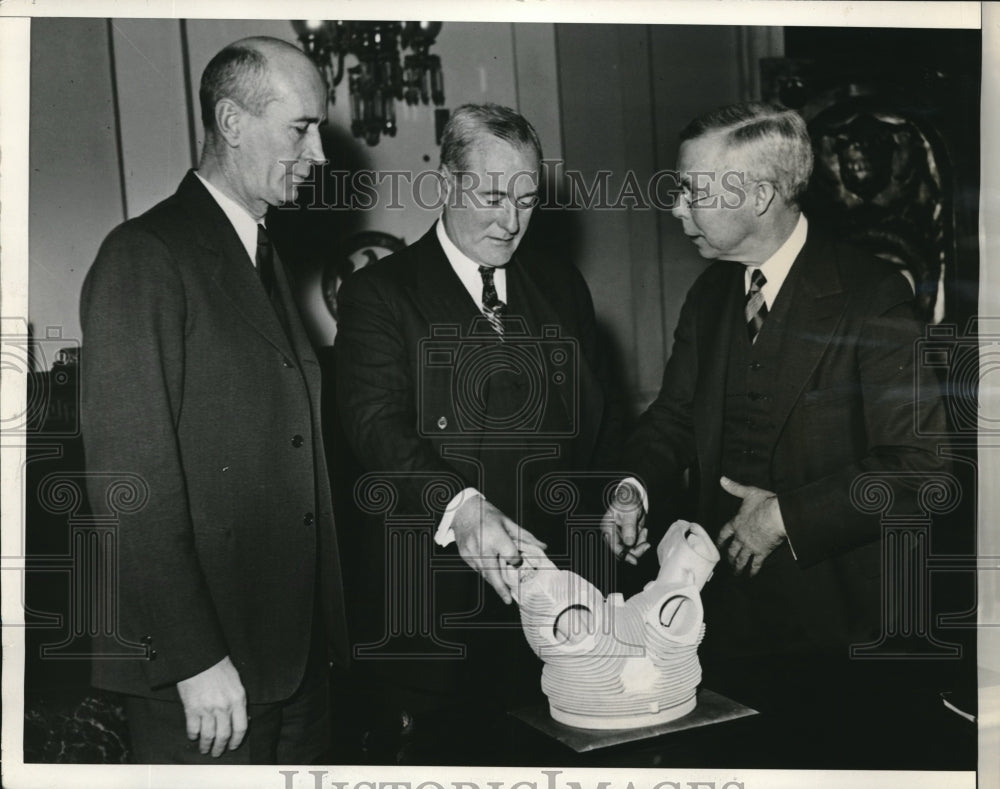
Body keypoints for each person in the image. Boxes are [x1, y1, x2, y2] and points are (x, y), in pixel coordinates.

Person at [602, 102, 949, 707]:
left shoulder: (872, 297)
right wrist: (634, 485)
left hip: (843, 640)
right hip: (724, 626)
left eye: (691, 191)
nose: (676, 207)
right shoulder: (710, 294)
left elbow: (922, 470)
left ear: (759, 196)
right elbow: (675, 417)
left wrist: (785, 517)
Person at [79, 36, 348, 764]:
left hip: (289, 663)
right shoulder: (143, 256)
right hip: (202, 677)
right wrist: (193, 658)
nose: (320, 154)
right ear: (231, 122)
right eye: (302, 127)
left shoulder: (263, 254)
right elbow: (126, 481)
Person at [333, 103, 620, 753]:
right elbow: (376, 428)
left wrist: (618, 500)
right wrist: (460, 507)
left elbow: (601, 426)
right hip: (436, 623)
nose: (511, 220)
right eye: (493, 195)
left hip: (558, 616)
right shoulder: (381, 293)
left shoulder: (562, 286)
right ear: (445, 184)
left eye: (527, 198)